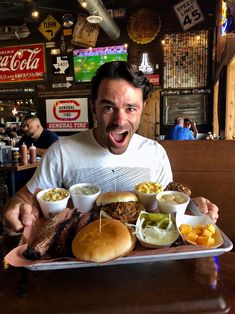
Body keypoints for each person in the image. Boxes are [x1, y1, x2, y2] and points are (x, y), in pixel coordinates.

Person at [3, 61, 218, 235]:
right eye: (108, 107)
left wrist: (192, 208)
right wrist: (15, 208)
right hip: (78, 268)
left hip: (144, 267)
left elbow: (169, 210)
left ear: (141, 110)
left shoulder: (155, 153)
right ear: (94, 109)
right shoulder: (61, 151)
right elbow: (24, 199)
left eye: (130, 108)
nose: (119, 120)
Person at [8, 115, 59, 193]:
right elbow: (16, 150)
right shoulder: (26, 137)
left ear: (37, 126)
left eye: (28, 126)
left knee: (16, 178)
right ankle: (16, 200)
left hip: (45, 170)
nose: (25, 129)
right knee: (12, 177)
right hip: (28, 169)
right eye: (24, 126)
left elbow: (55, 153)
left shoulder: (50, 136)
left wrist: (33, 150)